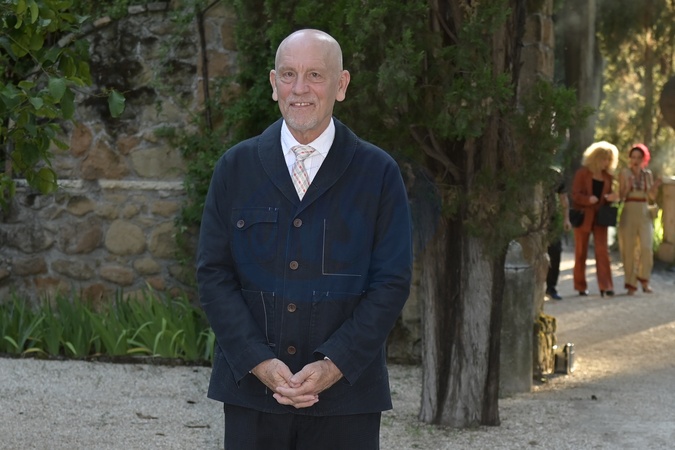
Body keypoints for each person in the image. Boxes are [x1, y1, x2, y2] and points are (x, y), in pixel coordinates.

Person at [196, 29, 413, 450]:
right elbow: (213, 275)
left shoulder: (379, 174)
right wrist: (258, 360)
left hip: (347, 401)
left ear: (341, 85)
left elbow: (391, 282)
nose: (299, 88)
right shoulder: (234, 168)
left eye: (315, 74)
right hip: (252, 396)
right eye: (288, 74)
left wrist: (335, 364)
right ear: (273, 83)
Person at [571, 141, 620, 297]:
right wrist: (588, 200)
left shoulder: (608, 177)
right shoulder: (582, 173)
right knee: (581, 252)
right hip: (584, 217)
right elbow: (575, 195)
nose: (606, 162)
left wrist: (611, 198)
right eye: (604, 158)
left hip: (600, 218)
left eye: (609, 159)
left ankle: (606, 286)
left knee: (602, 251)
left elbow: (609, 196)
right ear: (595, 158)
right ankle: (580, 286)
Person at [617, 144, 662, 295]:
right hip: (629, 210)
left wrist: (655, 186)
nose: (636, 160)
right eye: (633, 157)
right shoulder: (624, 173)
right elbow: (621, 196)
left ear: (644, 159)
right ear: (630, 159)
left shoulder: (647, 174)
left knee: (646, 247)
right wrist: (628, 186)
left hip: (644, 210)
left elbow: (651, 196)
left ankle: (645, 280)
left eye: (639, 157)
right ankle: (631, 283)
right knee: (628, 248)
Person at [546, 168, 572, 300]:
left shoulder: (555, 176)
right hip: (532, 221)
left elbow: (564, 199)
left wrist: (566, 219)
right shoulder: (529, 173)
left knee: (555, 252)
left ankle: (551, 287)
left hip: (552, 220)